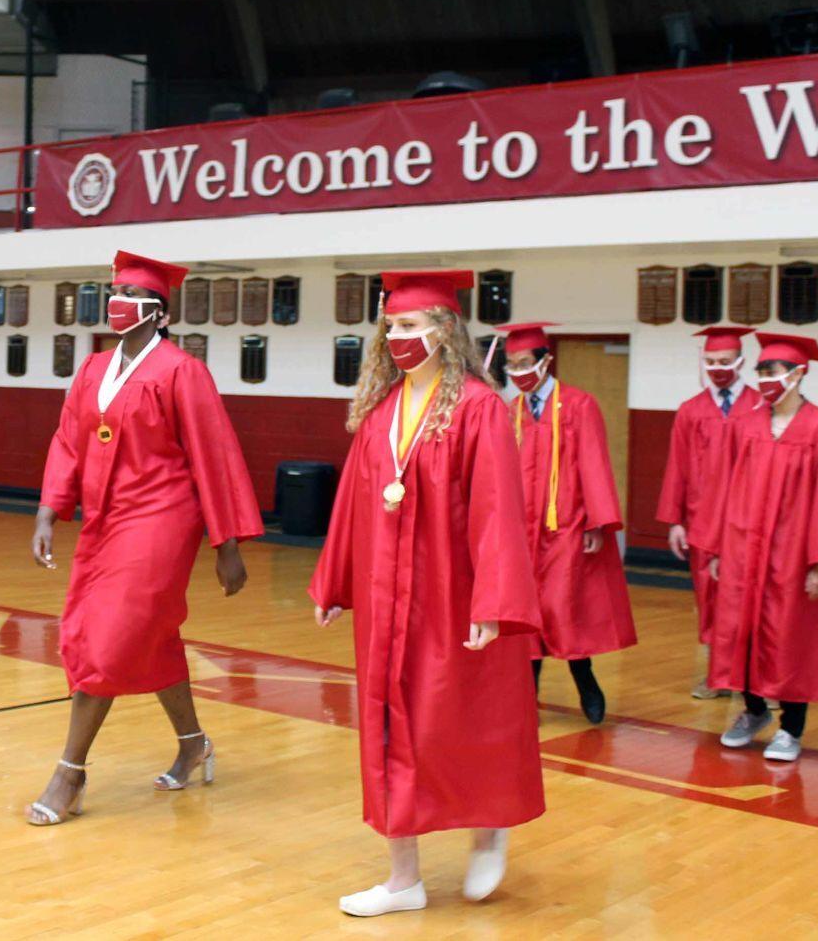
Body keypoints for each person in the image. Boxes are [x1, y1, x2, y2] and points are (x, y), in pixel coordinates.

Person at [310, 270, 543, 917]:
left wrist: (493, 603)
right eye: (390, 326)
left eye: (409, 326)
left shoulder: (476, 407)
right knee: (388, 728)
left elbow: (498, 511)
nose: (397, 337)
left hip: (453, 595)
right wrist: (333, 581)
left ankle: (489, 831)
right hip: (386, 602)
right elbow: (352, 506)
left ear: (444, 331)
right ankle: (402, 878)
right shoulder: (381, 412)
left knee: (465, 717)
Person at [26, 251, 261, 827]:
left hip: (162, 518)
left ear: (158, 313)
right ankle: (194, 743)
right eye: (114, 291)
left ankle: (70, 773)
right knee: (150, 639)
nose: (118, 302)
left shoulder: (181, 371)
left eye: (132, 294)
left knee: (107, 640)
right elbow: (68, 441)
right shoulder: (93, 369)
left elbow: (215, 454)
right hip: (106, 518)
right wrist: (48, 509)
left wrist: (226, 544)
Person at [695, 333, 818, 764]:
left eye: (772, 372)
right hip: (742, 549)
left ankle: (791, 728)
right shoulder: (746, 426)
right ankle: (753, 713)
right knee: (741, 632)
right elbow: (724, 490)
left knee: (791, 636)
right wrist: (717, 549)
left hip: (794, 554)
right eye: (761, 372)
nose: (765, 379)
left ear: (797, 373)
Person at [498, 321, 633, 726]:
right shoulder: (512, 411)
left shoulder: (578, 405)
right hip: (523, 530)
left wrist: (596, 523)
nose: (519, 372)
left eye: (525, 363)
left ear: (545, 361)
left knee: (564, 608)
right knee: (524, 614)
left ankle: (586, 681)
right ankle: (526, 695)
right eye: (511, 365)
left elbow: (594, 463)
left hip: (566, 526)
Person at [656, 325, 760, 698]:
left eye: (725, 361)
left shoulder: (759, 407)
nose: (718, 367)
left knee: (749, 600)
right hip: (702, 522)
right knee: (709, 600)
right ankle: (717, 675)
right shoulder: (691, 411)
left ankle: (751, 676)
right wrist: (675, 521)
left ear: (741, 362)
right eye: (711, 361)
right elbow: (677, 468)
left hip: (748, 524)